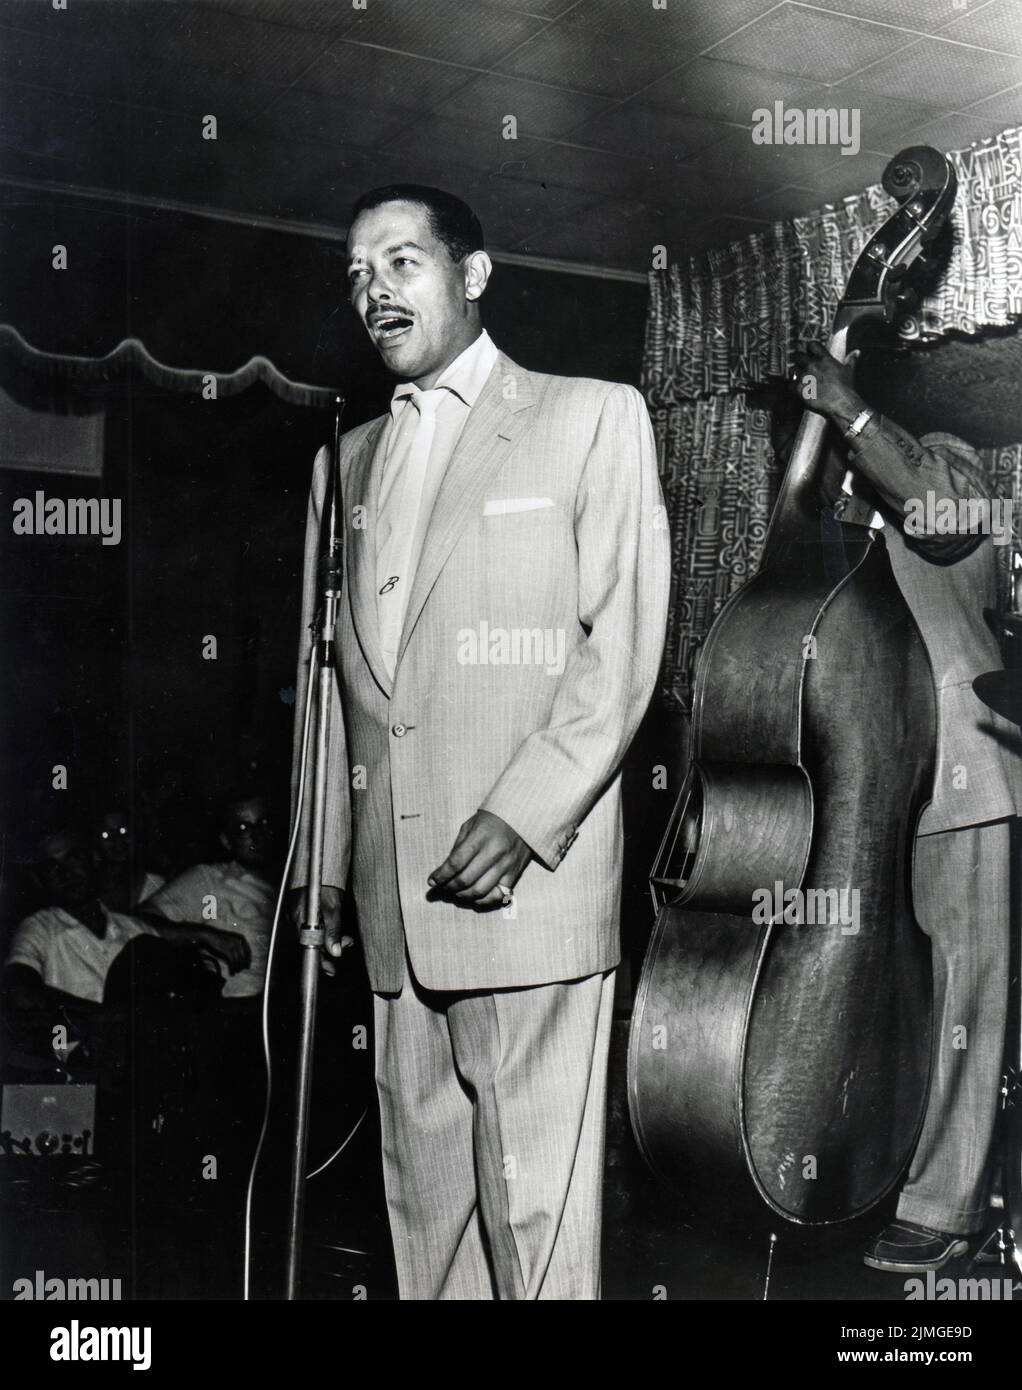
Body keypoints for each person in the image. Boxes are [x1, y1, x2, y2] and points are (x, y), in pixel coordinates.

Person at [289, 184, 670, 1300]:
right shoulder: (341, 465)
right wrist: (321, 858)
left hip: (526, 889)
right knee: (427, 1221)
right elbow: (337, 690)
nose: (374, 293)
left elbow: (624, 644)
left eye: (400, 263)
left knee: (537, 1226)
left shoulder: (589, 416)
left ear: (474, 273)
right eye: (357, 276)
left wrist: (524, 810)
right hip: (391, 906)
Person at [791, 341, 1022, 1273]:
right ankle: (864, 1167)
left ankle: (948, 1205)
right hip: (862, 787)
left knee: (969, 994)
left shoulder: (945, 460)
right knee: (883, 994)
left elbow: (943, 516)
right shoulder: (815, 506)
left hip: (963, 775)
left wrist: (849, 416)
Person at [144, 791, 277, 1003]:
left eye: (264, 822)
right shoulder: (209, 880)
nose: (257, 835)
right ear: (226, 840)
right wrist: (205, 934)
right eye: (243, 828)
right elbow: (139, 922)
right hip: (238, 1011)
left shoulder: (294, 881)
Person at [93, 806, 165, 911]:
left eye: (123, 831)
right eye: (106, 835)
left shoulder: (156, 883)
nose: (117, 841)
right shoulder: (90, 891)